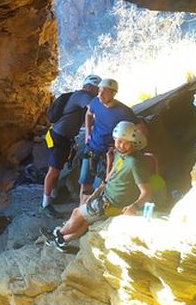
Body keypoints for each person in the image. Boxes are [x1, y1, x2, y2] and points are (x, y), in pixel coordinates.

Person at [43, 121, 152, 252]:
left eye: (126, 142)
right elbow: (113, 174)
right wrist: (101, 186)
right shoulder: (120, 154)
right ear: (115, 139)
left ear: (133, 142)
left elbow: (146, 192)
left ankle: (57, 235)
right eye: (119, 141)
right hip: (107, 195)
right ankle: (62, 242)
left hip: (112, 203)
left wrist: (134, 206)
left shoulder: (135, 162)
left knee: (77, 213)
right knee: (84, 222)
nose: (121, 145)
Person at [41, 74, 101, 217]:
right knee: (54, 170)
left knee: (58, 167)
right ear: (91, 87)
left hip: (63, 137)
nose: (98, 92)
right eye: (97, 89)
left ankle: (53, 196)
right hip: (58, 137)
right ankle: (46, 204)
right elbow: (96, 108)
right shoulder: (82, 95)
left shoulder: (80, 96)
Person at [78, 78, 142, 205]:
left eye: (104, 92)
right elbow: (89, 113)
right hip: (91, 147)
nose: (100, 95)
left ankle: (92, 213)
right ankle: (81, 208)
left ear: (113, 93)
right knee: (85, 181)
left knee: (100, 184)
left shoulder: (124, 111)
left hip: (108, 153)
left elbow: (139, 126)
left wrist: (127, 147)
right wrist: (87, 133)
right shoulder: (96, 101)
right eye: (99, 91)